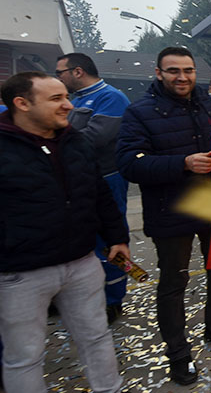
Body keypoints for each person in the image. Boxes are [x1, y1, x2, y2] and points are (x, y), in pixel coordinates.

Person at [117, 47, 211, 386]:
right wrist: (182, 164)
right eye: (173, 71)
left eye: (188, 70)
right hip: (170, 212)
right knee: (174, 283)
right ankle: (178, 354)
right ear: (158, 72)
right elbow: (130, 164)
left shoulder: (209, 105)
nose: (182, 77)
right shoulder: (139, 112)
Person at [0, 71, 130, 392]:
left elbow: (98, 193)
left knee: (97, 336)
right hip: (21, 274)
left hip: (82, 263)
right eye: (56, 99)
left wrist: (117, 238)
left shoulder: (74, 141)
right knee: (25, 355)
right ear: (22, 103)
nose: (68, 106)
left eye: (66, 97)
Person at [55, 53, 132, 323]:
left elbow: (93, 138)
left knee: (112, 239)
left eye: (60, 72)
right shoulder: (74, 101)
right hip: (77, 179)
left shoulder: (111, 98)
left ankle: (114, 297)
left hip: (108, 178)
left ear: (77, 71)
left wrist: (53, 143)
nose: (59, 78)